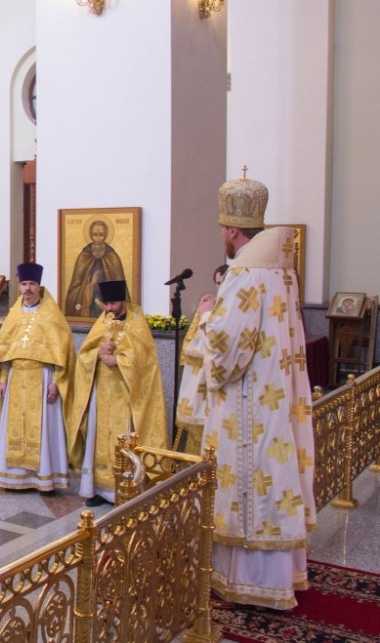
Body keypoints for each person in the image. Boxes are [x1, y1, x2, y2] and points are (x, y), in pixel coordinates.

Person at [198, 175, 315, 610]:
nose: (221, 236)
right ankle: (280, 577)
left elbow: (229, 347)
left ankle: (247, 581)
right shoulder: (282, 269)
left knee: (251, 480)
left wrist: (206, 317)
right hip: (276, 392)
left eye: (221, 229)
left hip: (249, 403)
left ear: (232, 230)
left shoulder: (245, 273)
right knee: (275, 476)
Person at [67, 280, 167, 507]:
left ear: (123, 300)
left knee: (124, 440)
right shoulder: (102, 322)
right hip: (102, 395)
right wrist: (97, 353)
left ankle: (125, 489)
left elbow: (145, 363)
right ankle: (99, 490)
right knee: (98, 440)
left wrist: (119, 360)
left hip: (126, 396)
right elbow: (84, 355)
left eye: (113, 303)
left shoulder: (136, 323)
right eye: (106, 304)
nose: (109, 308)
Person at [0, 263, 75, 493]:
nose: (28, 288)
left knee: (44, 429)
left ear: (38, 286)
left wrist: (56, 381)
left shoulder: (51, 315)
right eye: (24, 284)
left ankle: (44, 478)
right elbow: (5, 353)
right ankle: (15, 478)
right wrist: (2, 379)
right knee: (14, 428)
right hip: (16, 379)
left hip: (42, 378)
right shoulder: (14, 315)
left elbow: (63, 353)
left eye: (32, 284)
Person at [174, 264, 230, 455]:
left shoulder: (231, 309)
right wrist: (202, 313)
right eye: (217, 283)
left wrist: (206, 314)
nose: (220, 288)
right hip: (201, 382)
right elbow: (190, 346)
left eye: (223, 283)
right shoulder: (210, 306)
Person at [64, 220, 126, 318]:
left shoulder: (112, 257)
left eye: (101, 234)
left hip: (109, 304)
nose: (98, 238)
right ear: (90, 234)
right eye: (94, 234)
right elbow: (75, 286)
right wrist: (91, 285)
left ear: (106, 235)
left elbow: (120, 287)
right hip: (88, 300)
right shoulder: (84, 256)